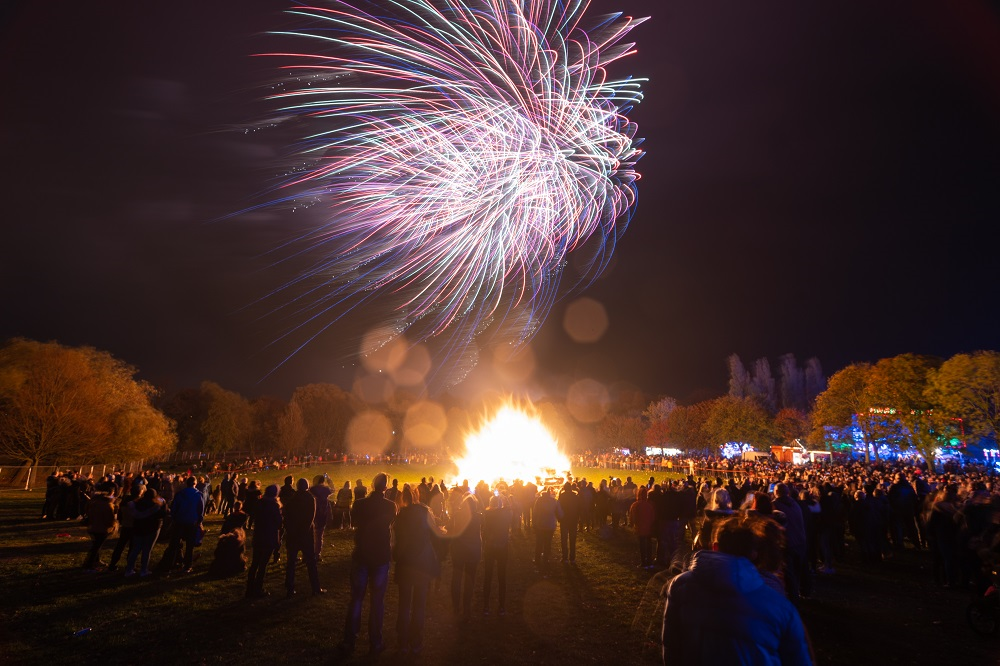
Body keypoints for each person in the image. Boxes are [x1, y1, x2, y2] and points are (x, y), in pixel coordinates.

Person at [661, 515, 814, 665]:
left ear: (715, 547)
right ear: (754, 553)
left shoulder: (680, 586)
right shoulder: (780, 606)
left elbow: (671, 646)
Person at [340, 473, 397, 656]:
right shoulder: (390, 506)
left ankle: (350, 641)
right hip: (380, 557)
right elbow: (389, 523)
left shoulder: (360, 503)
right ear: (385, 488)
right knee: (377, 601)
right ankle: (376, 642)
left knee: (356, 599)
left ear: (372, 485)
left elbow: (355, 521)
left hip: (362, 555)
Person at [393, 484, 446, 655]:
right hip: (422, 565)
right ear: (417, 495)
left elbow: (396, 541)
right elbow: (437, 534)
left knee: (404, 605)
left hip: (405, 564)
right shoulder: (424, 512)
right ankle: (416, 642)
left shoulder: (400, 515)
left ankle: (402, 643)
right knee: (419, 606)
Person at [284, 478, 326, 597]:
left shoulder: (292, 499)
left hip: (293, 535)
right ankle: (315, 588)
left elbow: (286, 517)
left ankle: (290, 588)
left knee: (291, 562)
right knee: (311, 563)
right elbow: (310, 518)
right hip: (305, 536)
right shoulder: (310, 499)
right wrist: (303, 531)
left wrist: (291, 530)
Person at [450, 488, 482, 621]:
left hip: (459, 550)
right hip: (473, 551)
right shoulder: (479, 516)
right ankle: (467, 608)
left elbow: (452, 530)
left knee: (456, 578)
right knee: (470, 580)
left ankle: (456, 607)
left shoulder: (458, 514)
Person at [246, 485, 282, 599]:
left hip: (258, 536)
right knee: (262, 565)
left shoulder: (259, 503)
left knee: (255, 563)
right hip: (268, 537)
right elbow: (279, 523)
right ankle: (258, 588)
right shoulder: (274, 505)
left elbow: (254, 515)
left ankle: (249, 588)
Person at [482, 494, 512, 615]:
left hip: (490, 548)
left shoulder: (487, 514)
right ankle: (502, 606)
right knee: (502, 577)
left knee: (487, 577)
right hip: (502, 547)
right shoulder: (505, 514)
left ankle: (486, 607)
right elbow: (509, 508)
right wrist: (504, 498)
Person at [168, 476, 206, 573]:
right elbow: (200, 510)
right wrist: (199, 520)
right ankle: (187, 566)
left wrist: (174, 517)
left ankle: (171, 563)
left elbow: (174, 507)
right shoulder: (198, 495)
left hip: (179, 521)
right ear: (195, 483)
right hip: (191, 522)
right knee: (190, 546)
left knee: (175, 544)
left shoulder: (180, 494)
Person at [82, 491, 117, 571]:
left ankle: (96, 561)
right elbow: (109, 519)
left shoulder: (93, 504)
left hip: (92, 527)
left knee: (96, 545)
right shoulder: (108, 506)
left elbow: (88, 514)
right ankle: (90, 564)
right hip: (102, 528)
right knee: (96, 547)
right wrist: (113, 525)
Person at [532, 487, 559, 572]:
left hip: (540, 525)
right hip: (550, 526)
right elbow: (559, 512)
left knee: (539, 543)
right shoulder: (553, 501)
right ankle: (546, 559)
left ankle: (537, 560)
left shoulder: (539, 501)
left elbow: (534, 512)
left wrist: (534, 523)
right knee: (548, 543)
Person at [309, 475, 333, 561]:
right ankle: (317, 554)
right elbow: (332, 489)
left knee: (310, 536)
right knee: (319, 536)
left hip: (312, 513)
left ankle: (308, 554)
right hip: (322, 513)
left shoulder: (312, 489)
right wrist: (329, 481)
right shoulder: (326, 489)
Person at [558, 482, 581, 564]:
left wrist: (559, 518)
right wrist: (578, 518)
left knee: (564, 539)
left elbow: (558, 507)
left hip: (564, 520)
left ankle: (565, 558)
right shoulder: (576, 496)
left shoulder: (562, 496)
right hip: (573, 520)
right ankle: (572, 558)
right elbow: (579, 508)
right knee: (572, 539)